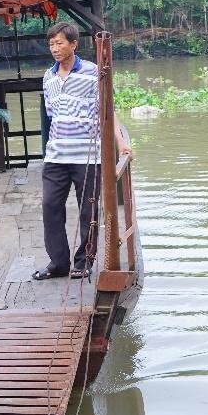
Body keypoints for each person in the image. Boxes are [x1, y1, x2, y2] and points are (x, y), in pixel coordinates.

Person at [34, 22, 132, 281]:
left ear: (73, 44)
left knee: (88, 210)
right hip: (56, 155)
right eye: (52, 43)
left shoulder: (93, 72)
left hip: (87, 156)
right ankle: (58, 263)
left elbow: (107, 109)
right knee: (50, 206)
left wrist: (121, 142)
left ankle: (84, 261)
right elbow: (53, 115)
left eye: (60, 43)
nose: (55, 48)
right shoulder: (48, 77)